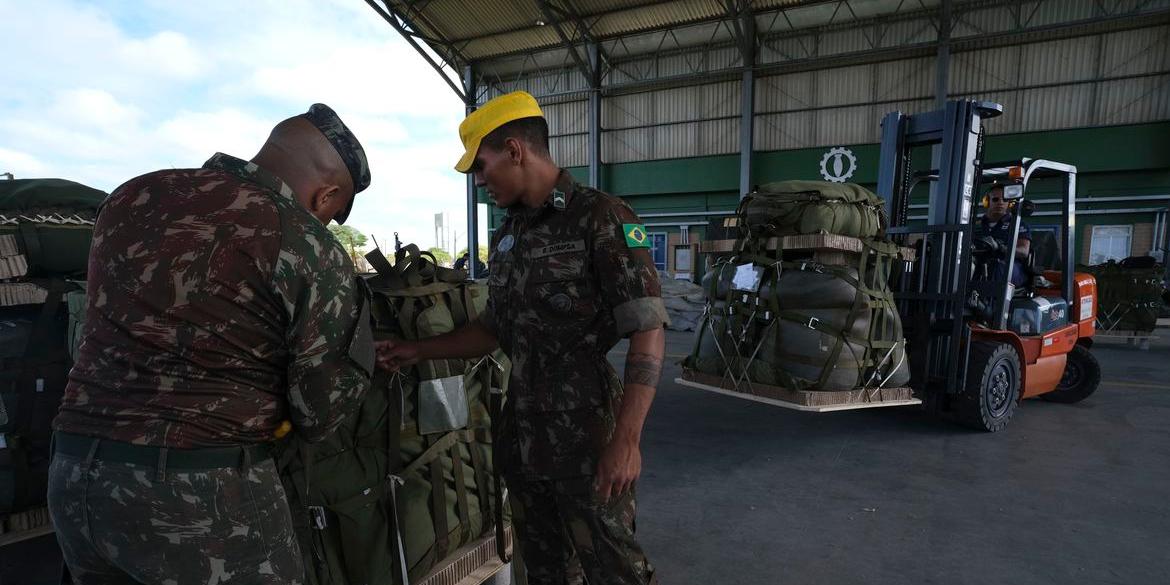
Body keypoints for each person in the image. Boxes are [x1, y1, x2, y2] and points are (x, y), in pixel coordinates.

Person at [48, 104, 376, 585]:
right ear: (326, 196)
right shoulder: (301, 239)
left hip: (75, 478)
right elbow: (320, 410)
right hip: (201, 495)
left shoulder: (132, 196)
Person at [377, 91, 667, 585]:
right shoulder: (510, 234)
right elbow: (493, 329)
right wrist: (417, 351)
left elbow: (648, 331)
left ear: (515, 150)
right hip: (524, 437)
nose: (479, 181)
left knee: (614, 568)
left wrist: (627, 440)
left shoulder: (601, 217)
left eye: (482, 166)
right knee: (547, 571)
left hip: (588, 437)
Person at [977, 184, 1032, 287]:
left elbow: (1024, 251)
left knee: (994, 266)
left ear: (1009, 203)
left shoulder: (1017, 224)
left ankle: (989, 302)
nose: (1000, 203)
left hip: (1010, 266)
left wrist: (1000, 247)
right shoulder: (976, 225)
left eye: (1004, 200)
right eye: (996, 199)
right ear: (987, 202)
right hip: (980, 263)